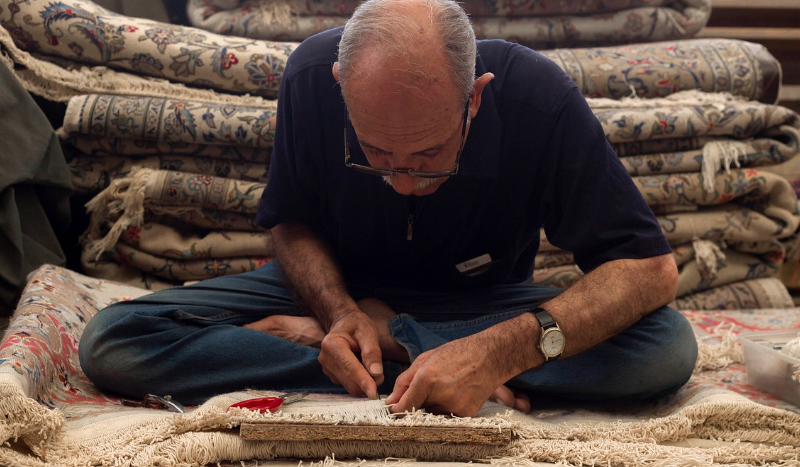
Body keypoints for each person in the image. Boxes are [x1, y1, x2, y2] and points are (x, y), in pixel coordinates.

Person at [79, 0, 698, 417]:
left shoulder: (540, 99)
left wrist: (500, 350)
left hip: (477, 308)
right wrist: (340, 312)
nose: (402, 182)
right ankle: (389, 355)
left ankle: (388, 353)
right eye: (375, 154)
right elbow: (290, 224)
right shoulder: (308, 78)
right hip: (336, 297)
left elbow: (647, 269)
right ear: (340, 89)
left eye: (429, 155)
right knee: (116, 340)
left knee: (665, 348)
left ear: (475, 100)